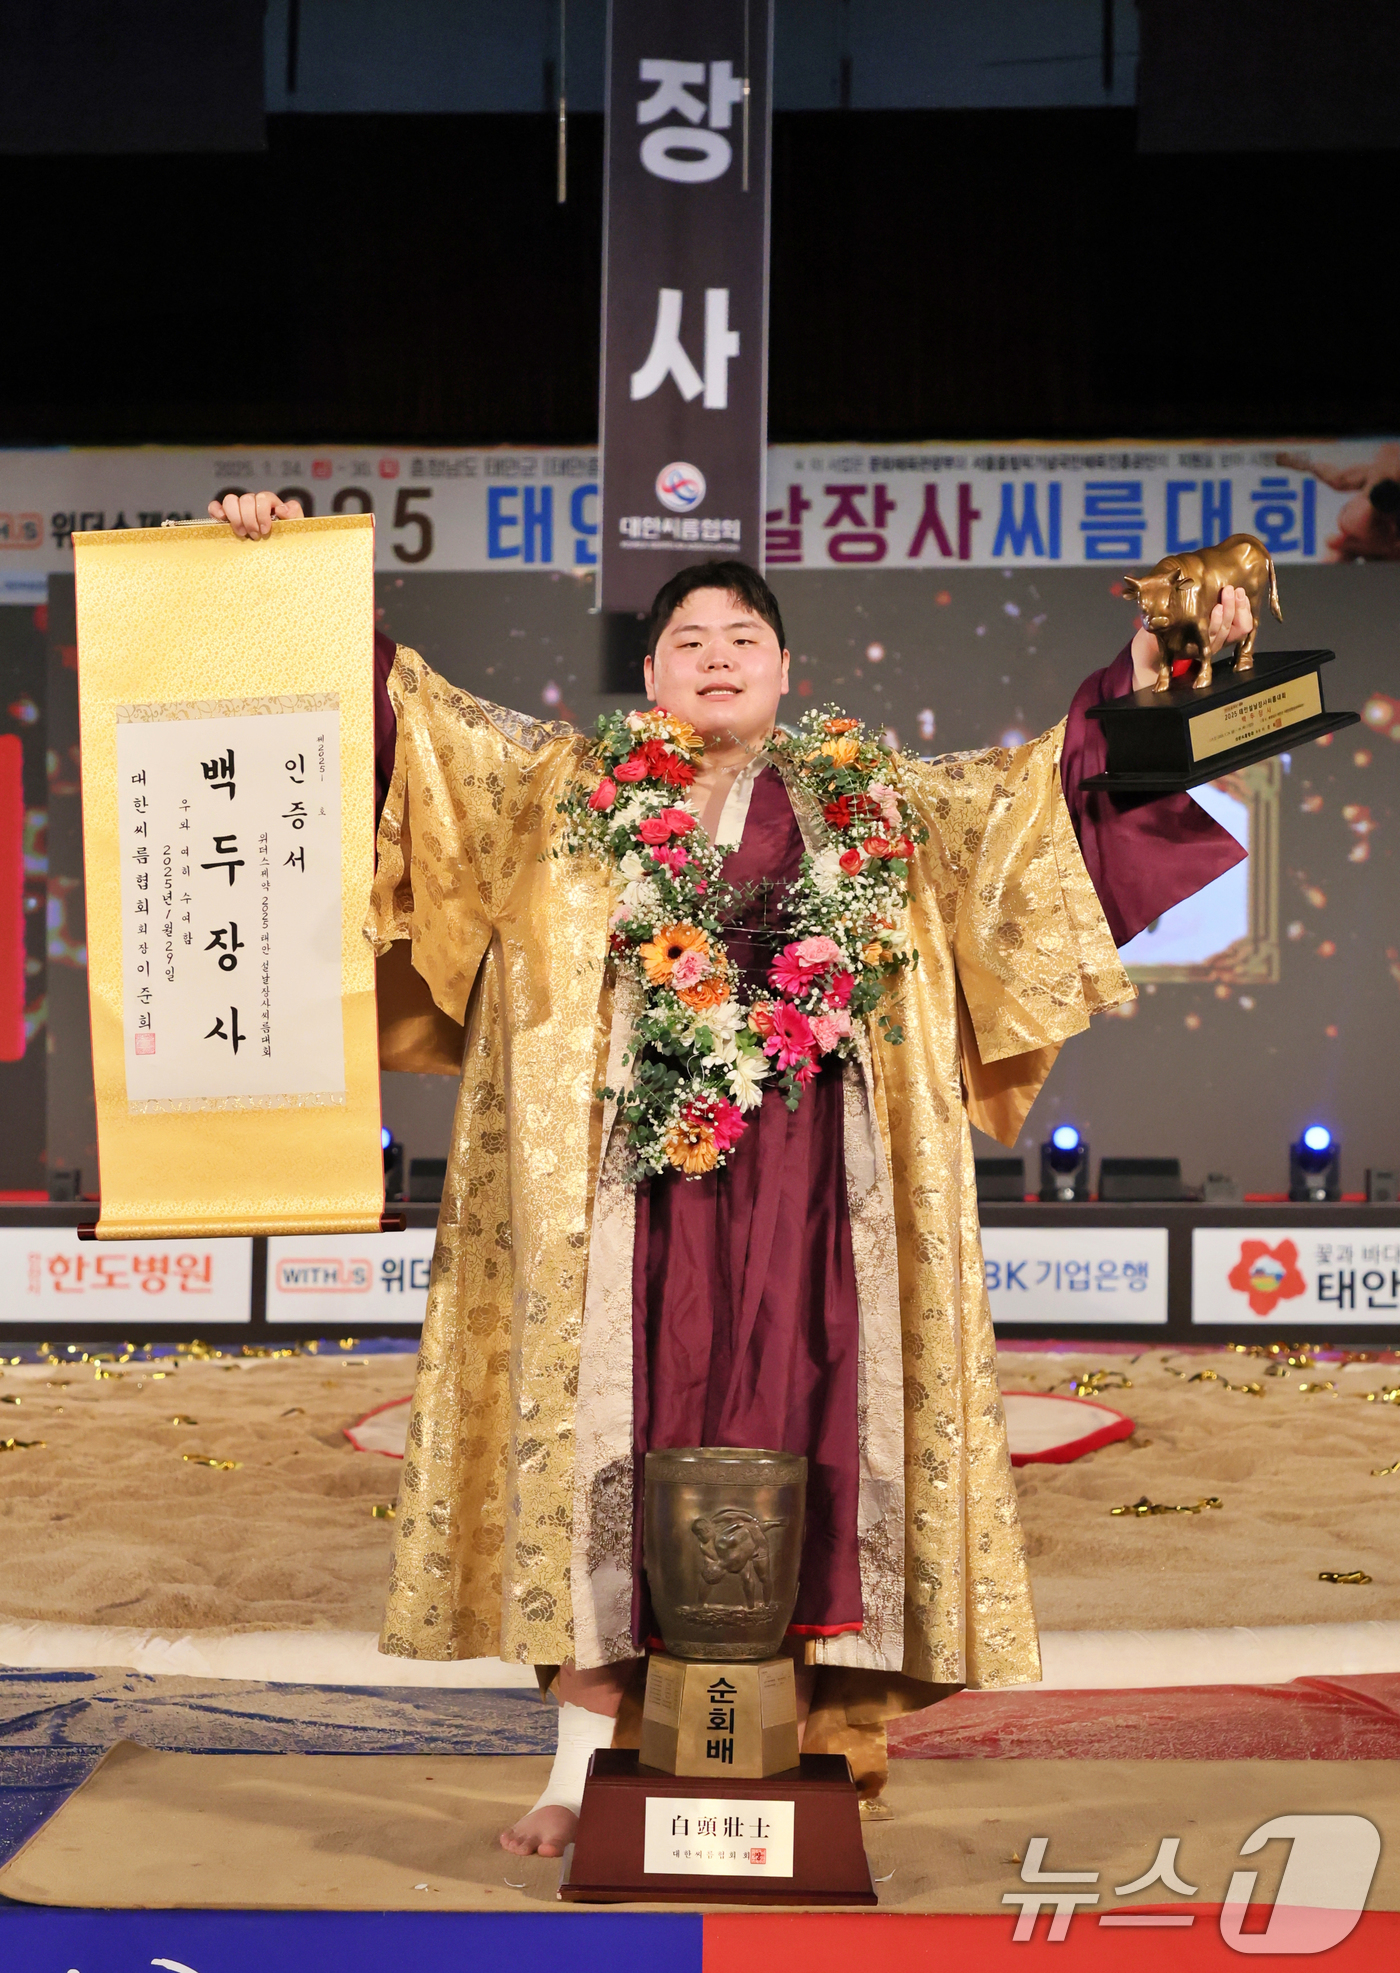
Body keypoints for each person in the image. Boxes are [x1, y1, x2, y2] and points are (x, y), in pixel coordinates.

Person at [211, 489, 1252, 1858]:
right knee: (610, 1435)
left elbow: (1043, 801)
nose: (716, 655)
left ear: (783, 668)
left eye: (742, 636)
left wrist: (1159, 673)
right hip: (625, 1189)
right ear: (648, 672)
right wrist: (291, 580)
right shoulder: (556, 783)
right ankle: (583, 1764)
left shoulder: (879, 795)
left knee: (813, 1423)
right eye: (689, 639)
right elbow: (409, 737)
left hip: (822, 1186)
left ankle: (806, 1743)